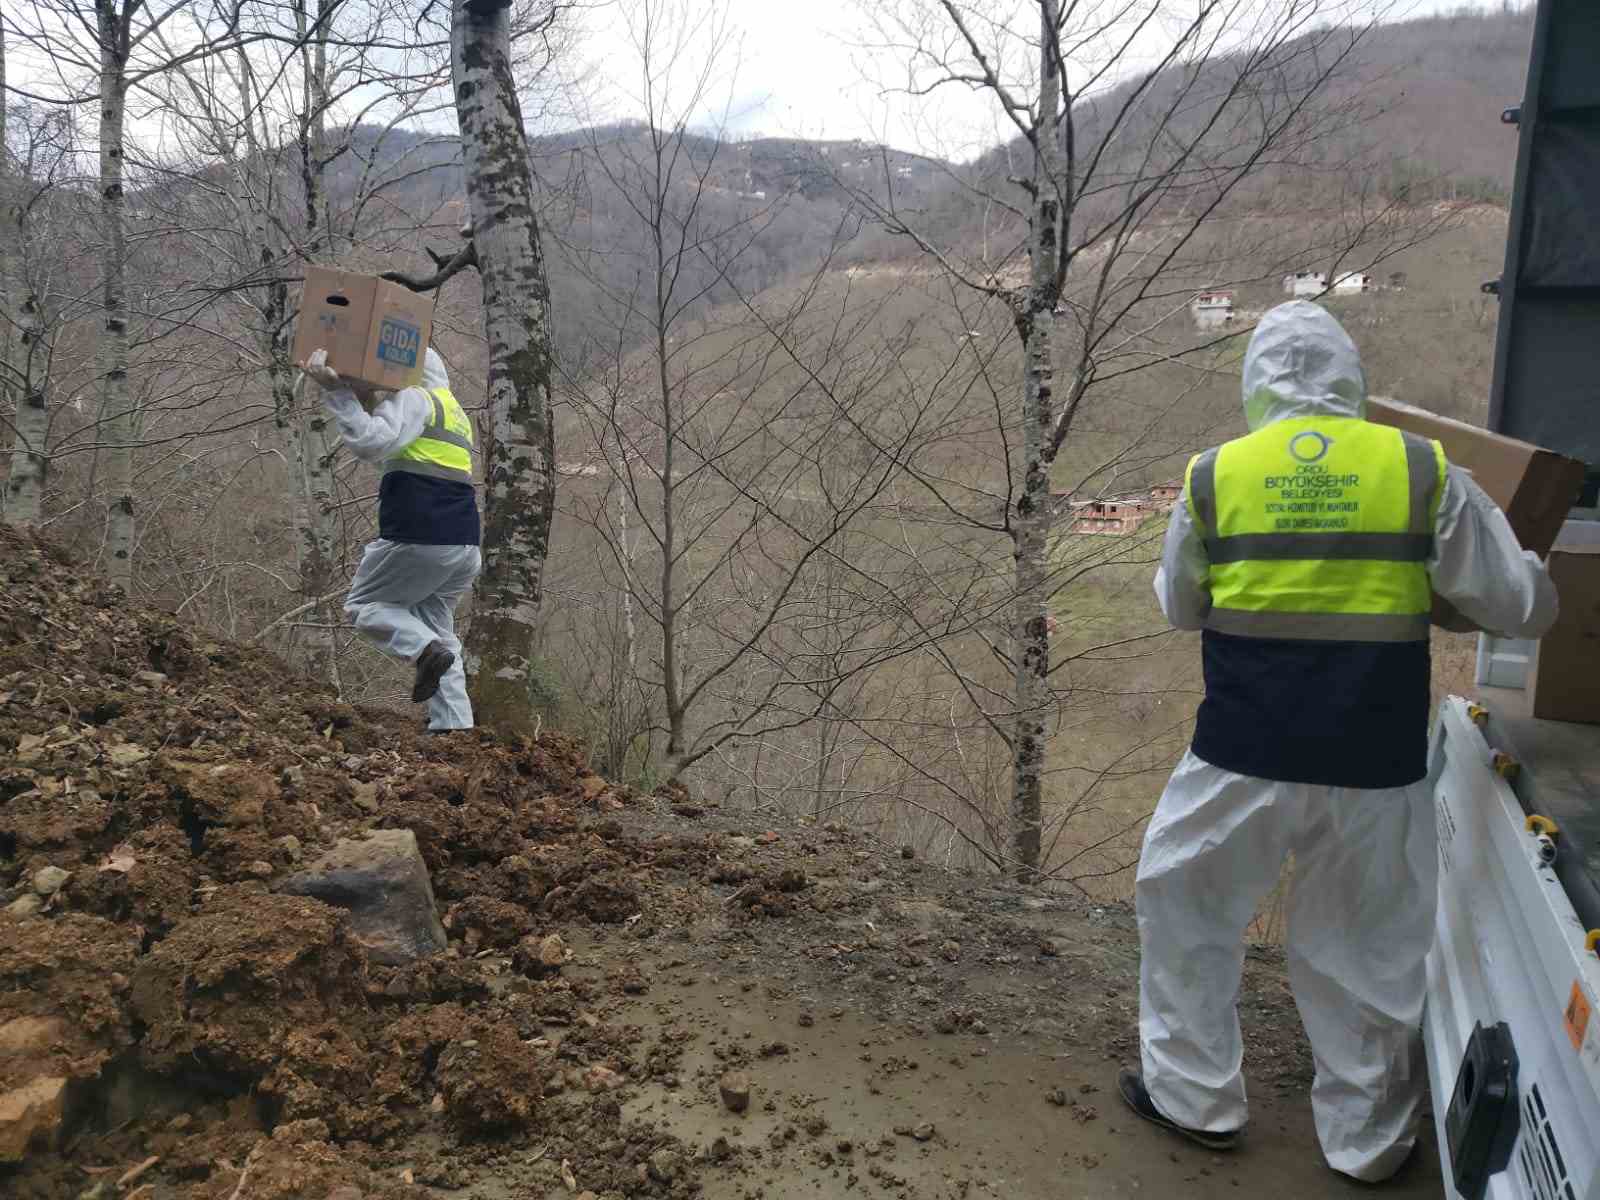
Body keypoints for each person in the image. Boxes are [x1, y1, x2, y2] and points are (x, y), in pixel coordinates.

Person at [1120, 300, 1558, 1181]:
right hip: (1375, 757)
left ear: (1254, 382)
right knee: (1368, 947)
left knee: (1185, 912)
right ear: (1352, 379)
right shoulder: (1418, 468)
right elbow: (1522, 607)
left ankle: (1195, 1100)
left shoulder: (1215, 476)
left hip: (1242, 752)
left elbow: (1180, 607)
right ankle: (1365, 1145)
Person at [299, 345, 481, 732]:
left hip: (421, 534)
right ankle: (454, 729)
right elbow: (402, 445)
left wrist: (338, 393)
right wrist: (365, 398)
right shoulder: (453, 409)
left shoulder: (417, 399)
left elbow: (371, 443)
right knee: (439, 629)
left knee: (367, 606)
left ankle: (423, 651)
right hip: (463, 543)